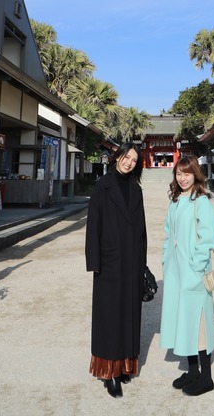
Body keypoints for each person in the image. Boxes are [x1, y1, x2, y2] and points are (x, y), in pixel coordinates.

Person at [85, 142, 147, 399]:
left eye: (134, 159)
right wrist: (95, 263)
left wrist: (142, 264)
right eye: (126, 157)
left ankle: (124, 365)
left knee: (128, 314)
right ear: (116, 157)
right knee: (110, 317)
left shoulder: (136, 188)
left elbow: (142, 230)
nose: (129, 162)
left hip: (131, 262)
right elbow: (93, 227)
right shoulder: (102, 186)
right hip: (110, 262)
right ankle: (109, 372)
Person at [160, 155, 214, 396]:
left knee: (199, 323)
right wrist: (166, 260)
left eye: (187, 173)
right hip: (176, 271)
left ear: (196, 174)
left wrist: (196, 266)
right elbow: (167, 232)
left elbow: (209, 237)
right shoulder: (175, 200)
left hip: (194, 270)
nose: (182, 178)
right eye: (179, 173)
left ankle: (206, 377)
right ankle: (192, 371)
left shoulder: (201, 201)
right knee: (182, 319)